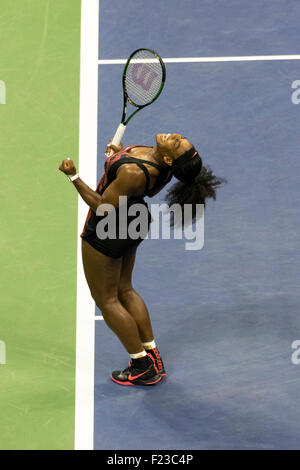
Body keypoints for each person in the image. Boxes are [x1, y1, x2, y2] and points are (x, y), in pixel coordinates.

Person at [59, 133, 226, 386]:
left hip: (110, 228)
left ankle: (141, 365)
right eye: (182, 138)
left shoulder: (134, 174)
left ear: (169, 158)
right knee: (124, 288)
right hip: (134, 221)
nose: (177, 136)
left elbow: (102, 207)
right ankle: (152, 354)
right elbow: (142, 185)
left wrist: (73, 176)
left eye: (178, 143)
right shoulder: (161, 164)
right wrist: (119, 154)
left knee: (107, 300)